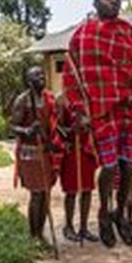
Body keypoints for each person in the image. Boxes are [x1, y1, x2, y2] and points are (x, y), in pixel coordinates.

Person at [62, 0, 132, 248]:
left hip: (127, 108)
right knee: (109, 166)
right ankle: (103, 214)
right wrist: (79, 110)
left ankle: (121, 214)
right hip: (100, 110)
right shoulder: (83, 34)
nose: (114, 2)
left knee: (128, 166)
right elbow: (71, 76)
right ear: (95, 2)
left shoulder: (127, 31)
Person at [12, 66, 57, 241]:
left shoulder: (49, 98)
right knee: (37, 193)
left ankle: (41, 231)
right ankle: (34, 235)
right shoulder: (22, 100)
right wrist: (28, 130)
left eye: (42, 74)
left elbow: (54, 121)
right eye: (37, 75)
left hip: (45, 150)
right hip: (29, 152)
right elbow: (14, 126)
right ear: (29, 81)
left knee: (46, 192)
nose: (42, 77)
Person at [54, 93, 98, 242]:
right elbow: (56, 126)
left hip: (86, 149)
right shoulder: (62, 99)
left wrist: (88, 125)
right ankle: (68, 226)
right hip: (71, 150)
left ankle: (84, 228)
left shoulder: (89, 96)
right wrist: (72, 130)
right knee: (71, 191)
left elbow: (97, 121)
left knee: (87, 189)